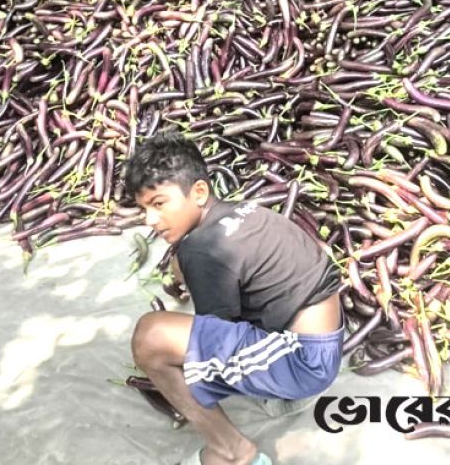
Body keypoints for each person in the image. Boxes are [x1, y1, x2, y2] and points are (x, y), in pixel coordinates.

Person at [123, 133, 343, 465]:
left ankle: (234, 452)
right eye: (144, 209)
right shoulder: (244, 211)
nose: (150, 221)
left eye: (159, 204)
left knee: (150, 337)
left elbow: (212, 338)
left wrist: (167, 378)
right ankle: (279, 389)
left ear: (199, 192)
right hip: (326, 336)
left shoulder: (204, 250)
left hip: (305, 361)